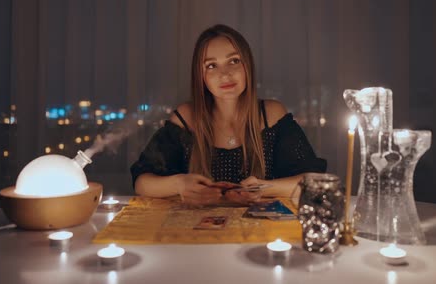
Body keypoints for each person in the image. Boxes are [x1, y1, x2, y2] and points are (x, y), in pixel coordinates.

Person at [130, 24, 326, 205]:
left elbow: (311, 181)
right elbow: (142, 182)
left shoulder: (271, 114)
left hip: (261, 231)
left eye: (234, 61)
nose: (225, 74)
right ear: (201, 76)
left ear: (247, 66)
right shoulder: (187, 117)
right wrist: (179, 184)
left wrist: (262, 188)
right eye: (211, 65)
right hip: (194, 235)